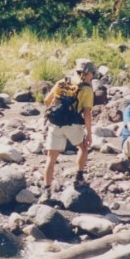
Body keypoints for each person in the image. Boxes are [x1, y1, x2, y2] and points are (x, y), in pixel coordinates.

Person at [43, 58, 96, 189]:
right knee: (83, 147)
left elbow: (46, 101)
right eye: (92, 73)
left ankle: (47, 190)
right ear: (88, 73)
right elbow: (87, 114)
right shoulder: (86, 89)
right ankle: (78, 178)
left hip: (55, 123)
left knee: (51, 158)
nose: (93, 76)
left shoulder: (62, 82)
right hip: (73, 124)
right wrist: (89, 134)